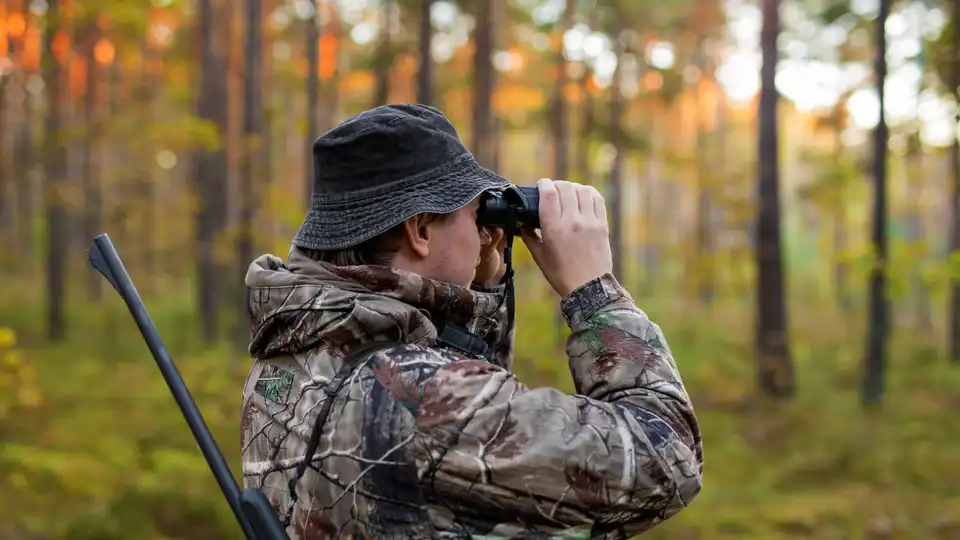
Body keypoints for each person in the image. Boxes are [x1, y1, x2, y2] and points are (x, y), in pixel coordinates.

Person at [240, 104, 703, 539]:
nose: (485, 234)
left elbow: (453, 473)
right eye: (473, 213)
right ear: (421, 230)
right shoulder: (422, 397)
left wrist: (479, 289)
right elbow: (666, 459)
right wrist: (594, 295)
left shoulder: (289, 354)